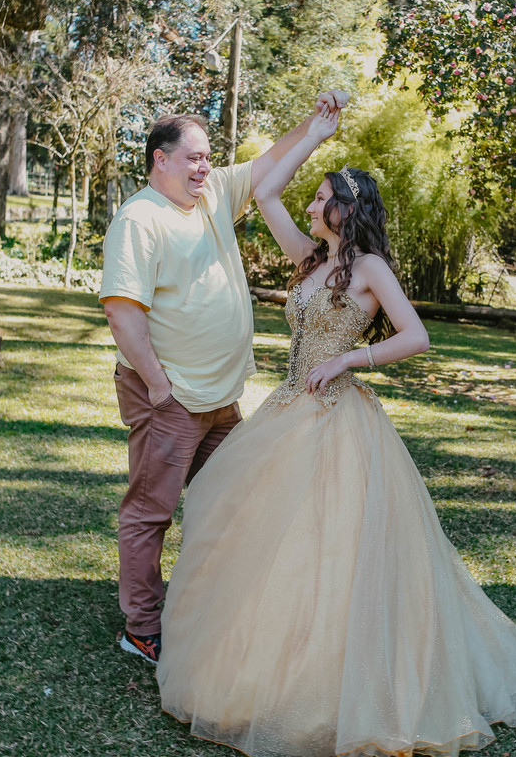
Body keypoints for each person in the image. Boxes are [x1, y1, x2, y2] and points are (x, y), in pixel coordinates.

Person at [156, 108, 516, 757]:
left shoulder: (369, 269)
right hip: (287, 413)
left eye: (322, 199)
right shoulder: (311, 259)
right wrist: (316, 133)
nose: (311, 206)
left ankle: (332, 687)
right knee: (261, 540)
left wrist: (349, 359)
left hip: (339, 420)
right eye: (314, 198)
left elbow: (416, 336)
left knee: (330, 551)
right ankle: (262, 678)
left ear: (348, 208)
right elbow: (266, 193)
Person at [100, 91, 350, 665]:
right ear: (160, 159)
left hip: (221, 396)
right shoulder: (140, 218)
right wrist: (159, 387)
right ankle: (143, 627)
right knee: (150, 512)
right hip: (172, 398)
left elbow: (267, 165)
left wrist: (315, 128)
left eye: (208, 158)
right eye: (192, 158)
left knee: (235, 500)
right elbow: (122, 312)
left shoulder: (211, 194)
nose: (203, 167)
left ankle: (213, 605)